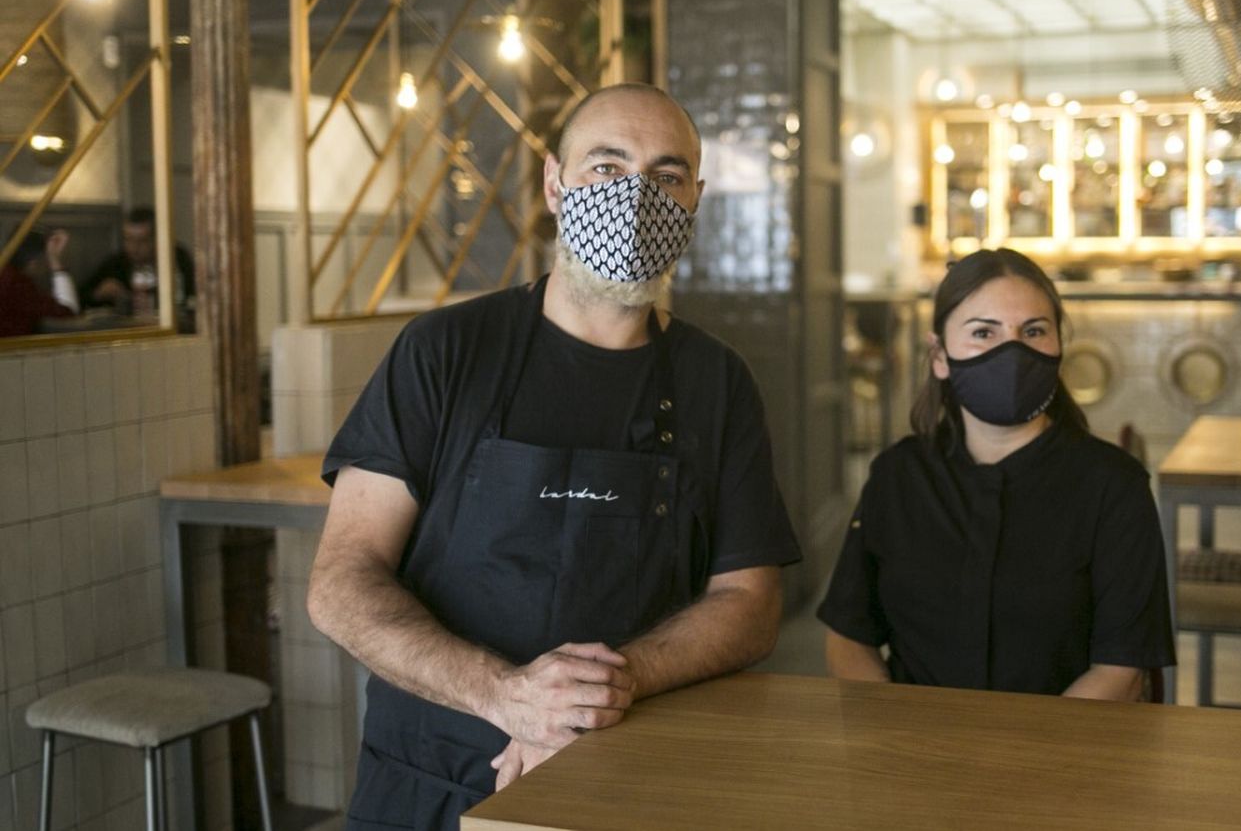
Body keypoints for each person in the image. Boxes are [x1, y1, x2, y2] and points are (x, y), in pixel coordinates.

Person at [307, 83, 801, 830]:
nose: (635, 198)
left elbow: (752, 604)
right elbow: (341, 584)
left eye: (666, 177)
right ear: (554, 181)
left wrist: (598, 694)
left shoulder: (716, 382)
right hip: (429, 776)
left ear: (694, 200)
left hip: (626, 771)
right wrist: (508, 697)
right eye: (606, 167)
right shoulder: (443, 352)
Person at [817, 248, 1174, 699]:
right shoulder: (897, 476)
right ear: (940, 357)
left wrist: (1016, 761)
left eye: (1034, 331)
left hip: (1060, 757)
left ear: (1059, 347)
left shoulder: (1114, 487)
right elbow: (848, 638)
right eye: (983, 332)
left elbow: (1121, 672)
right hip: (912, 756)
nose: (1012, 351)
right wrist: (899, 739)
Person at [79, 206, 195, 318]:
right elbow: (81, 296)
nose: (134, 247)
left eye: (142, 241)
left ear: (157, 239)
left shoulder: (176, 257)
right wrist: (98, 294)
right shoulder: (117, 262)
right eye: (128, 239)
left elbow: (189, 297)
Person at [0, 228, 78, 337]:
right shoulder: (19, 286)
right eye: (45, 259)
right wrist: (56, 262)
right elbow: (69, 315)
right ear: (33, 263)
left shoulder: (7, 275)